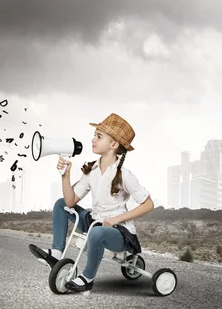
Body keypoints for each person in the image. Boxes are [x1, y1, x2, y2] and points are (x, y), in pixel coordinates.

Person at [28, 113, 154, 293]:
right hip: (95, 221)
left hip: (119, 233)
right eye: (94, 135)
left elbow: (148, 205)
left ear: (113, 144)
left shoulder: (125, 175)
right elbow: (71, 201)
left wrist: (117, 219)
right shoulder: (92, 170)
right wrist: (65, 175)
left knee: (96, 232)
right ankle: (56, 254)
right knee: (60, 204)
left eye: (98, 136)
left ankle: (87, 278)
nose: (93, 139)